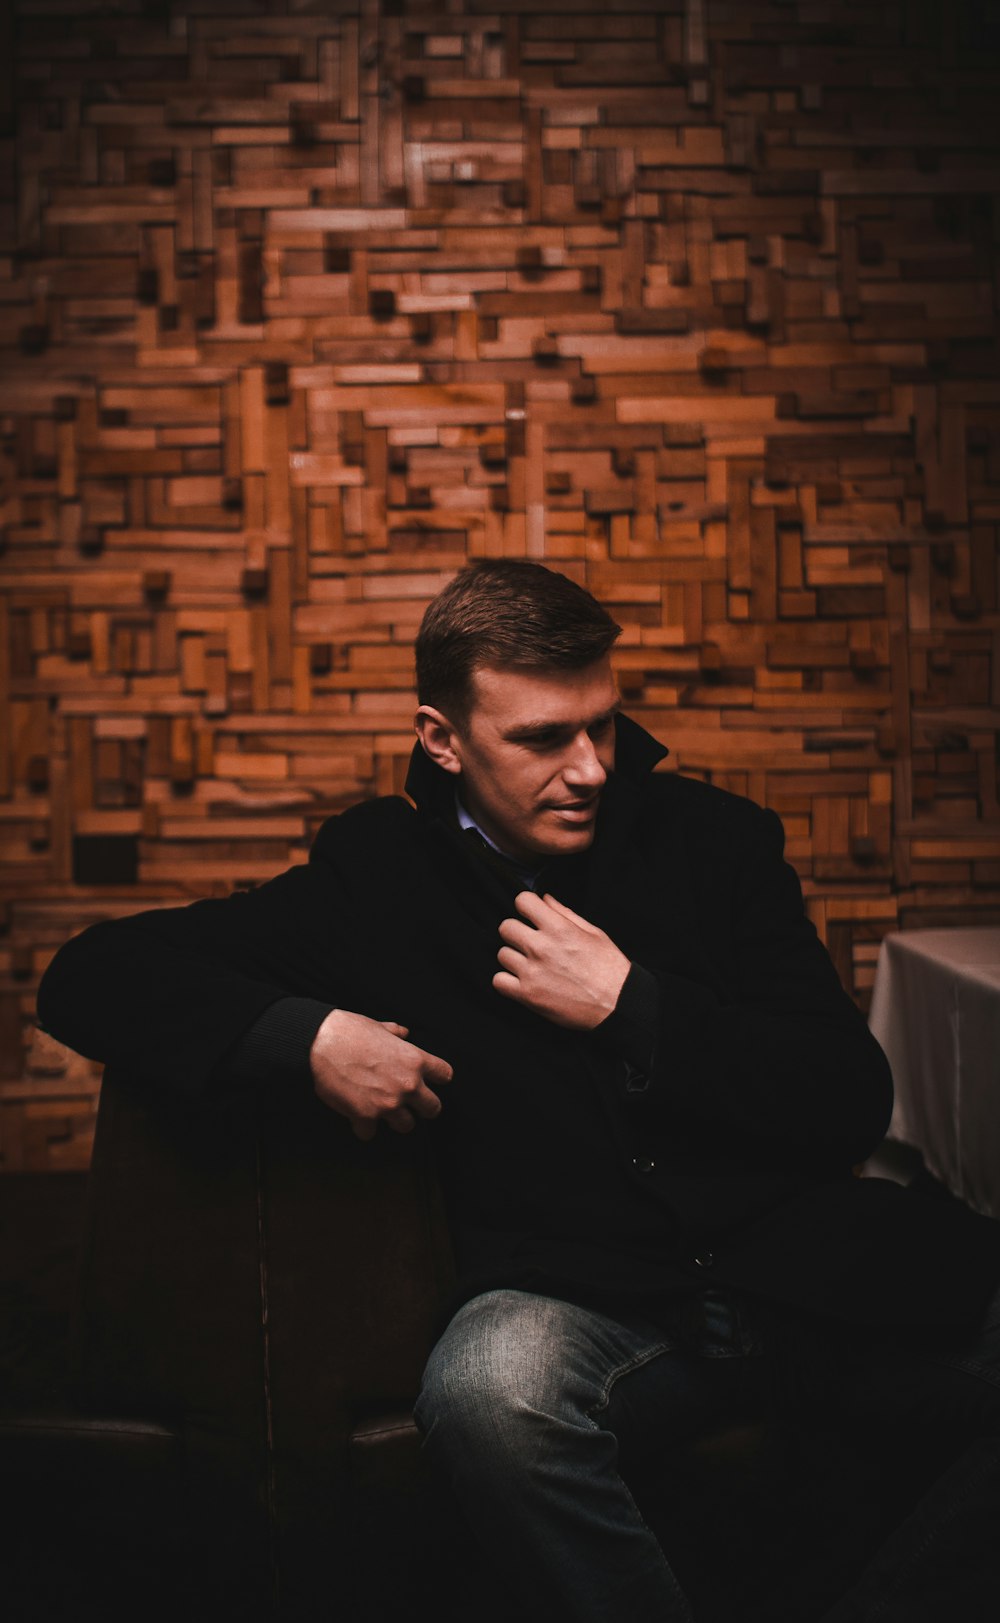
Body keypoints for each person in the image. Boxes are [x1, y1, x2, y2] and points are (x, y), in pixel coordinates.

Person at [38, 560, 1000, 1622]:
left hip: (808, 1274)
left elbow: (847, 1098)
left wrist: (635, 1006)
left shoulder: (715, 844)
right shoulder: (375, 882)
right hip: (588, 1307)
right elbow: (91, 974)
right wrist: (303, 1035)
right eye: (543, 739)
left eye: (604, 726)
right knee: (484, 1394)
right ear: (441, 740)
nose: (589, 768)